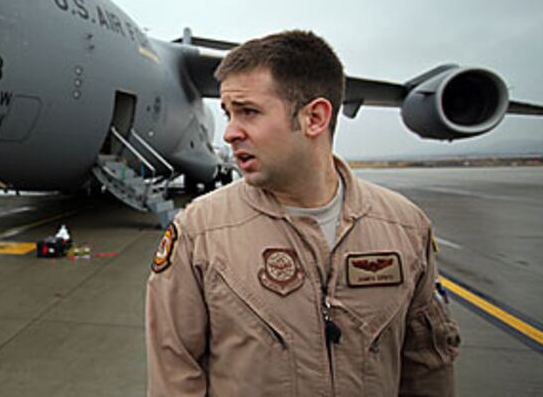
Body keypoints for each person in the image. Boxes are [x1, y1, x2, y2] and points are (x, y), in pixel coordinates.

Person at [145, 30, 460, 396]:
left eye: (248, 112)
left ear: (314, 118)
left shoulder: (404, 226)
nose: (230, 133)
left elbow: (428, 367)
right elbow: (174, 376)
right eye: (228, 113)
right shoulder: (201, 231)